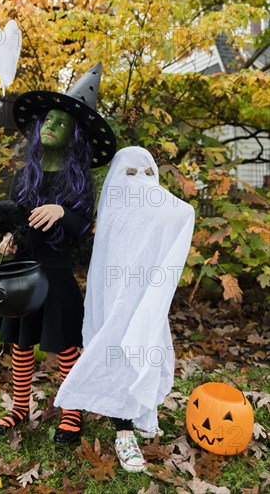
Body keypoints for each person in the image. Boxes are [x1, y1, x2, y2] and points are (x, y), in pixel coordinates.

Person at [0, 62, 116, 445]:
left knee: (67, 345)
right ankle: (19, 409)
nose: (51, 126)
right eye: (48, 120)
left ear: (75, 134)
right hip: (24, 271)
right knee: (22, 343)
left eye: (61, 122)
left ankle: (71, 412)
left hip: (57, 272)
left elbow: (86, 226)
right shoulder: (26, 173)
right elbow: (14, 216)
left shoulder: (80, 178)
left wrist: (62, 211)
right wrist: (8, 238)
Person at [54, 146, 195, 467]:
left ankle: (141, 411)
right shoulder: (114, 211)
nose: (139, 182)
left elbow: (175, 216)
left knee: (142, 348)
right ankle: (122, 429)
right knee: (114, 350)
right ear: (117, 178)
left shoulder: (155, 206)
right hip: (111, 297)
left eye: (147, 174)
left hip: (143, 300)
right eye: (130, 173)